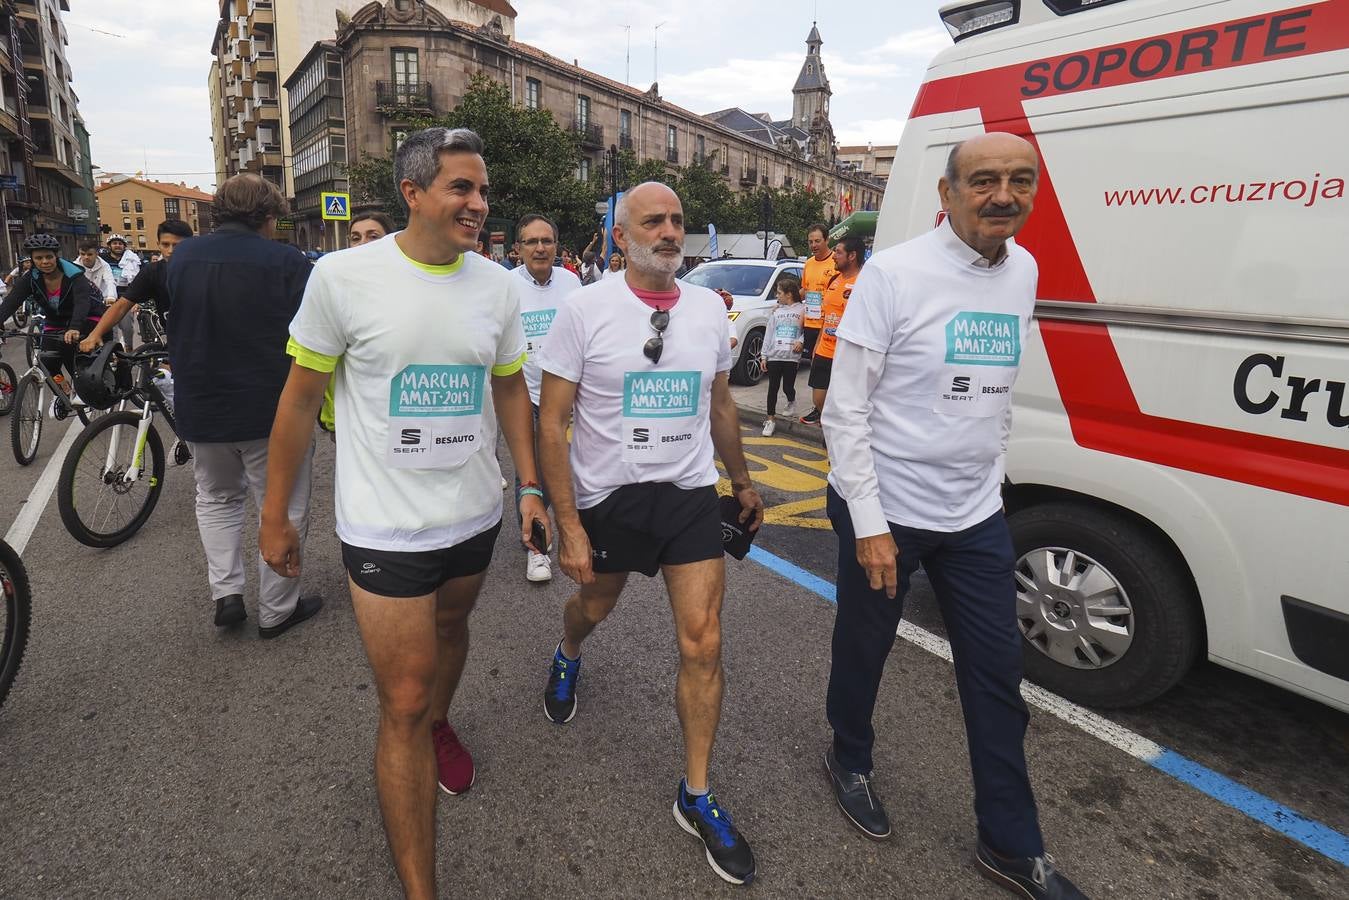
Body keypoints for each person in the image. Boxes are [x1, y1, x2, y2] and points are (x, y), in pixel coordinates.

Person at [258, 128, 548, 900]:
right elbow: (298, 399)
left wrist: (527, 486)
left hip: (471, 517)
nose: (479, 205)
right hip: (382, 525)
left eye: (482, 190)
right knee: (405, 698)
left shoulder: (497, 285)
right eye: (461, 188)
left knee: (451, 636)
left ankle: (440, 723)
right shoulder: (343, 277)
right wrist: (276, 515)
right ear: (414, 194)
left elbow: (511, 387)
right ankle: (421, 886)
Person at [822, 134, 1087, 899]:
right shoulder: (894, 276)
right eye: (982, 181)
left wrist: (992, 479)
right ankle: (847, 754)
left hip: (973, 515)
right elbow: (845, 412)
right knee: (865, 645)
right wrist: (869, 523)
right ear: (945, 194)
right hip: (886, 508)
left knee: (997, 673)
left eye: (1018, 180)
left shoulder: (1025, 271)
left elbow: (990, 390)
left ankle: (1010, 842)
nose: (1001, 194)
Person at [537, 181, 766, 886]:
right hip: (610, 499)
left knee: (704, 642)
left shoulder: (706, 308)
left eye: (676, 222)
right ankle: (569, 649)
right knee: (594, 608)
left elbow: (720, 401)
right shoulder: (584, 309)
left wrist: (743, 480)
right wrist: (568, 523)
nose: (669, 232)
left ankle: (694, 794)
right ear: (620, 237)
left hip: (689, 496)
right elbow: (551, 422)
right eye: (653, 222)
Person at [164, 174, 321, 636]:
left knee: (215, 498)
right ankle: (277, 609)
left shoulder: (184, 256)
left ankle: (226, 592)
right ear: (267, 215)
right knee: (284, 504)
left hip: (200, 405)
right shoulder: (287, 261)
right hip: (269, 409)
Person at [512, 212, 582, 583]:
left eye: (547, 241)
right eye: (531, 242)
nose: (540, 248)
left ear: (556, 246)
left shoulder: (573, 283)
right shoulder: (506, 287)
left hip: (568, 396)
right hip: (527, 397)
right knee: (534, 475)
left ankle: (548, 526)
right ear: (518, 249)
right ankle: (536, 550)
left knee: (560, 473)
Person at [0, 233, 105, 416]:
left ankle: (83, 388)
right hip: (56, 320)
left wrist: (75, 327)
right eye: (39, 258)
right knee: (47, 361)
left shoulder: (74, 274)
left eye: (49, 256)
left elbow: (82, 303)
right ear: (32, 260)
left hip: (88, 317)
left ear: (56, 256)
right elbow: (12, 301)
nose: (45, 261)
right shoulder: (30, 278)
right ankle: (62, 391)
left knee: (69, 351)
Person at [80, 220, 195, 353]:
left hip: (210, 340)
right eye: (165, 244)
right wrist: (95, 334)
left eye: (177, 245)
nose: (170, 251)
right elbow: (122, 305)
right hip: (176, 341)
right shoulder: (153, 272)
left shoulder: (205, 269)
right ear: (158, 245)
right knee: (162, 372)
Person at [803, 234, 865, 428]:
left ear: (852, 256)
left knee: (843, 403)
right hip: (824, 350)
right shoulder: (834, 280)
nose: (834, 256)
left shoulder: (863, 283)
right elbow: (825, 315)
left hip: (846, 354)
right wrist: (818, 344)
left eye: (838, 252)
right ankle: (829, 426)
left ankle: (834, 439)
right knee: (819, 398)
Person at [797, 223, 835, 424]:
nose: (813, 245)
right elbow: (804, 290)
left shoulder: (834, 263)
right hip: (810, 323)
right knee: (814, 367)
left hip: (828, 325)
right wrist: (786, 302)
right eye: (810, 241)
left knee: (826, 367)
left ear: (827, 240)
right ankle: (819, 408)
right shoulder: (809, 263)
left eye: (817, 241)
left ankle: (827, 409)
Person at [760, 275, 805, 436]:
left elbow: (808, 330)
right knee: (772, 388)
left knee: (787, 386)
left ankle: (791, 401)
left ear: (789, 294)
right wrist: (764, 355)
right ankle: (770, 420)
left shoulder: (802, 309)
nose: (777, 296)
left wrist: (801, 340)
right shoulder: (776, 311)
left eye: (779, 293)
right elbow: (769, 333)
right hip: (774, 355)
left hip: (791, 356)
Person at [100, 233, 141, 349]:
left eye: (120, 243)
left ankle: (128, 349)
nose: (117, 246)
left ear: (124, 246)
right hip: (108, 298)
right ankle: (113, 352)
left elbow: (138, 279)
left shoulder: (132, 260)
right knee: (111, 329)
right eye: (114, 243)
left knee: (127, 327)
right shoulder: (103, 260)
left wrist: (137, 301)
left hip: (126, 298)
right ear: (109, 246)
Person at [76, 239, 118, 311]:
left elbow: (110, 281)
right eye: (82, 254)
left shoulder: (104, 265)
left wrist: (111, 297)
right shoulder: (74, 266)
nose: (86, 257)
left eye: (89, 254)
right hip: (82, 302)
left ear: (96, 254)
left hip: (101, 301)